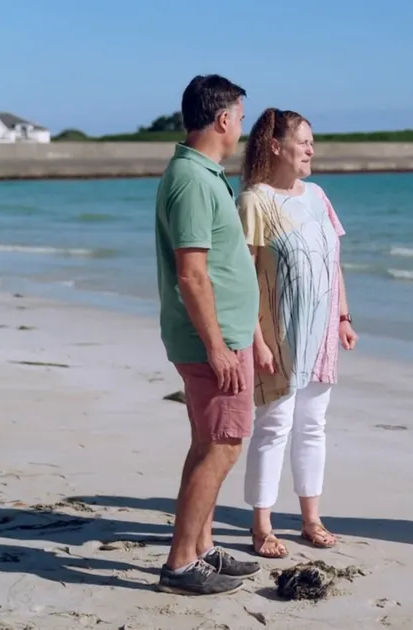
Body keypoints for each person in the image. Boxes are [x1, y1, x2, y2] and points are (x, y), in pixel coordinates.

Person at [154, 74, 262, 595]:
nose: (241, 128)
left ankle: (201, 547)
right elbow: (192, 272)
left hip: (226, 335)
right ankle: (180, 563)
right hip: (211, 341)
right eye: (240, 118)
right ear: (223, 119)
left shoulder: (202, 174)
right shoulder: (194, 181)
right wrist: (218, 344)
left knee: (212, 441)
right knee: (221, 445)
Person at [236, 108, 358, 559]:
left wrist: (344, 317)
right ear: (275, 146)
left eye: (312, 140)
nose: (311, 148)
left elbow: (333, 259)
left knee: (314, 427)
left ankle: (311, 519)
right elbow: (242, 277)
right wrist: (256, 340)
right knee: (274, 428)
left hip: (323, 333)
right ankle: (261, 525)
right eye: (303, 141)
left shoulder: (319, 195)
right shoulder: (254, 201)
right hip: (279, 336)